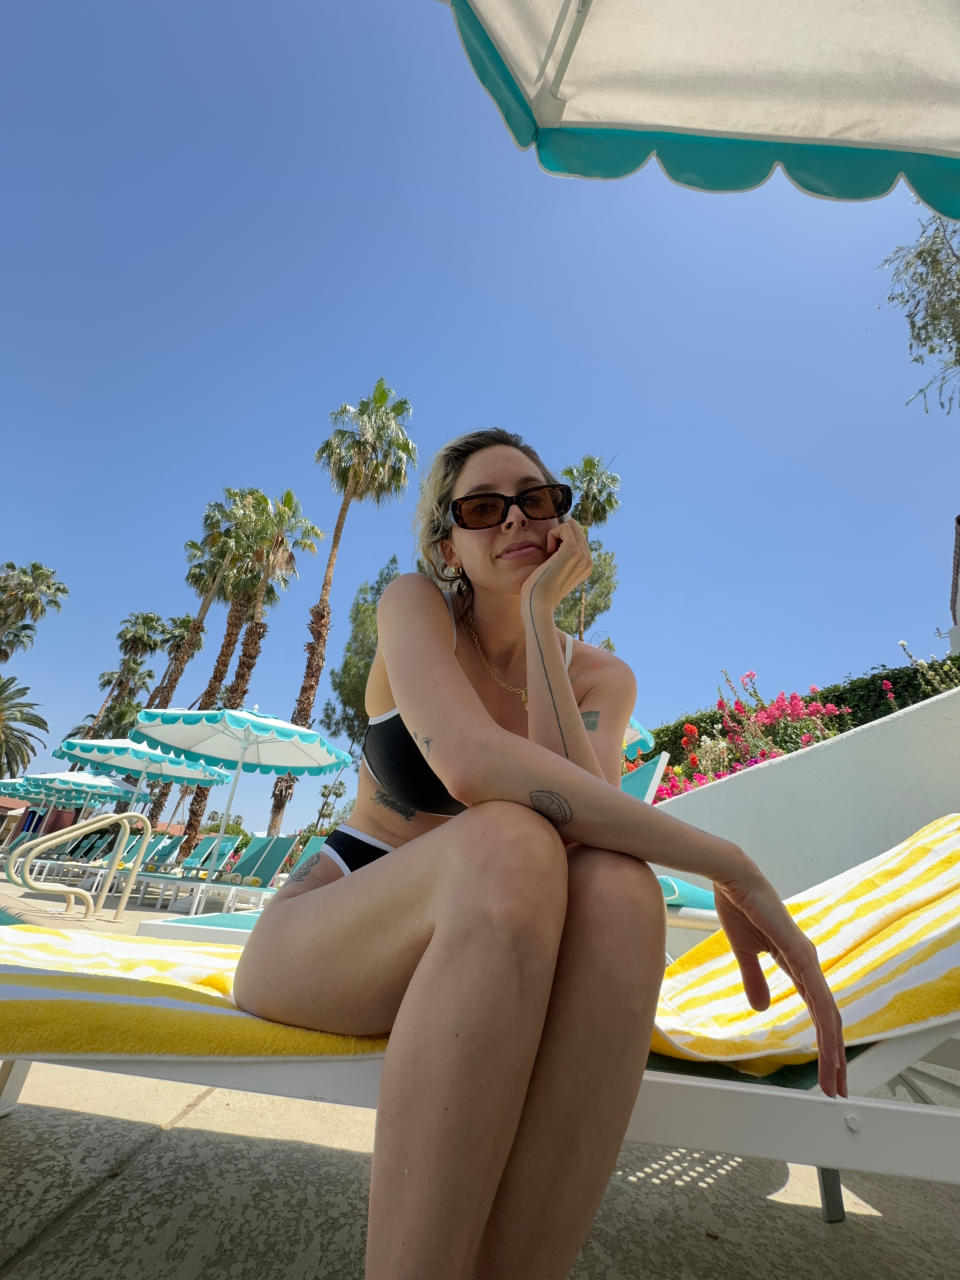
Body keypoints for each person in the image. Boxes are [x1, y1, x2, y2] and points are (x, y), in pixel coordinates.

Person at [233, 427, 847, 1280]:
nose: (515, 519)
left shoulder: (601, 676)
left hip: (485, 949)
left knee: (621, 891)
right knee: (509, 836)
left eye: (539, 498)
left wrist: (539, 619)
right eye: (483, 508)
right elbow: (472, 763)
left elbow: (579, 820)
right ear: (446, 544)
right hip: (336, 927)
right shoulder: (413, 606)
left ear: (566, 523)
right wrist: (728, 863)